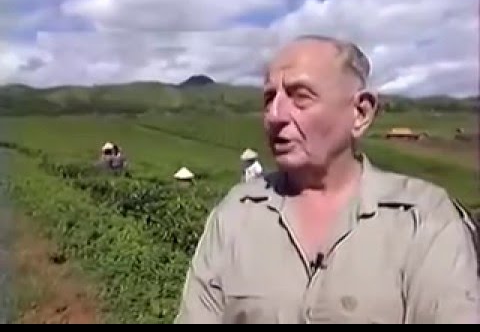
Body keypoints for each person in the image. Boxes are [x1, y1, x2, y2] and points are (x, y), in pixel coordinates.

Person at [174, 35, 479, 324]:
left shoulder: (423, 219)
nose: (275, 115)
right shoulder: (235, 215)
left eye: (301, 97)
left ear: (360, 113)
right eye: (269, 98)